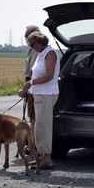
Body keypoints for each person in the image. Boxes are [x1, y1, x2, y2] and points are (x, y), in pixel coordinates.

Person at [19, 31, 59, 170]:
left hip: (46, 95)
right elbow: (34, 72)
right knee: (38, 128)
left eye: (32, 44)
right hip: (39, 95)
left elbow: (49, 75)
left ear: (39, 42)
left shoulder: (50, 53)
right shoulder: (41, 54)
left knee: (44, 127)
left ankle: (47, 159)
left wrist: (29, 84)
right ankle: (41, 157)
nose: (31, 47)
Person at [21, 24, 40, 122]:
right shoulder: (33, 50)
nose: (25, 38)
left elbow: (32, 72)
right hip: (32, 88)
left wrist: (25, 89)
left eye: (26, 36)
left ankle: (33, 137)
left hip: (34, 89)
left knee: (34, 118)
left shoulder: (37, 51)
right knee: (32, 117)